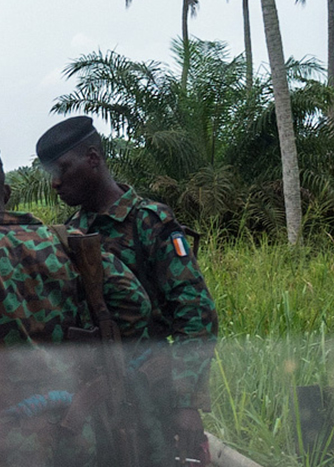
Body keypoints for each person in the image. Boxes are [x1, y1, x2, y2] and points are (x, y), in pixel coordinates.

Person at [0, 143, 151, 467]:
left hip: (6, 432)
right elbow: (135, 303)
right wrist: (97, 366)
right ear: (7, 192)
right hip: (77, 421)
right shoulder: (66, 241)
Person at [36, 116, 219, 466]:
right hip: (96, 397)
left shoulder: (149, 222)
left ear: (92, 158)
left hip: (150, 395)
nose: (55, 183)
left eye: (62, 168)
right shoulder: (70, 232)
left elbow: (195, 313)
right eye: (51, 174)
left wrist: (186, 403)